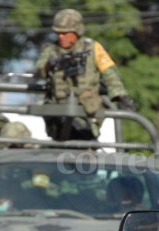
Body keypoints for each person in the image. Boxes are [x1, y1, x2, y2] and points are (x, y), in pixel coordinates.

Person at [35, 8, 136, 141]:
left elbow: (110, 73)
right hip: (58, 110)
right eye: (58, 33)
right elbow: (40, 72)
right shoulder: (51, 50)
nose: (60, 37)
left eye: (65, 33)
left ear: (77, 31)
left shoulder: (92, 48)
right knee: (59, 146)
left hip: (87, 111)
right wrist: (50, 64)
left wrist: (121, 96)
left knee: (85, 143)